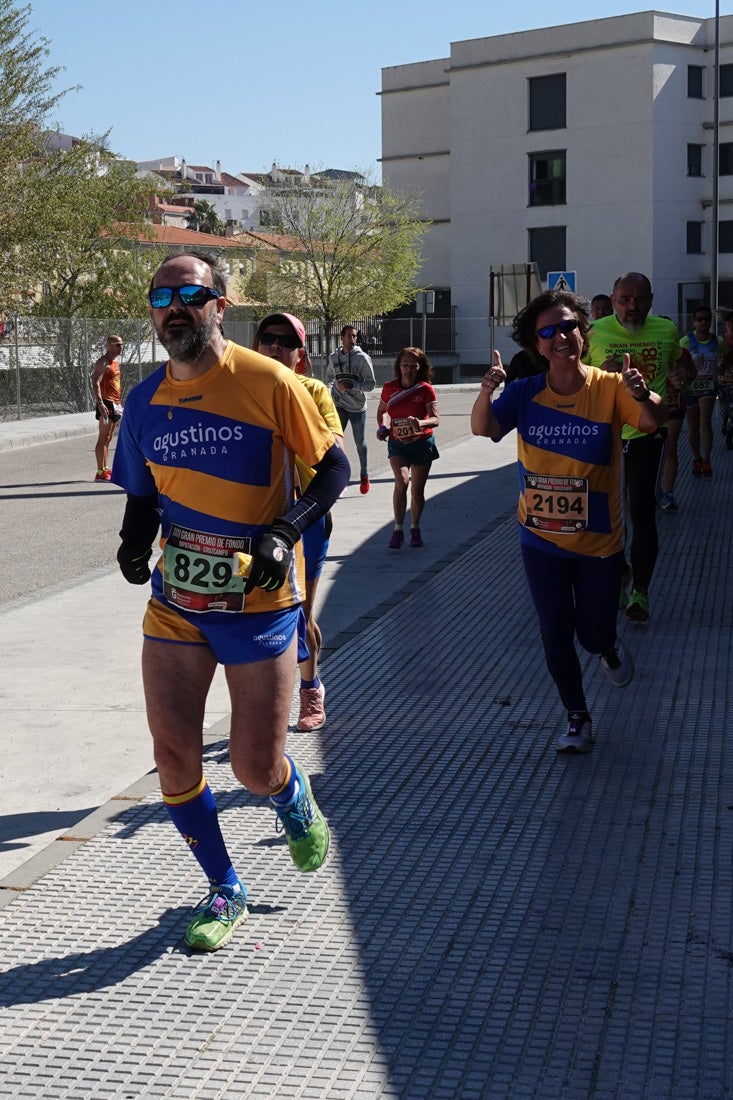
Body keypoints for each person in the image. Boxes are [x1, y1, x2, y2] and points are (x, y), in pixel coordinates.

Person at [111, 251, 350, 952]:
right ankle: (224, 885)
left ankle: (289, 796)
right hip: (177, 602)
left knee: (251, 765)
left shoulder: (269, 381)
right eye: (162, 295)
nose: (174, 305)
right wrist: (132, 543)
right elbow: (142, 494)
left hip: (258, 604)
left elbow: (332, 469)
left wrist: (285, 531)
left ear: (220, 304)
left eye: (191, 292)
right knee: (174, 753)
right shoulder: (144, 400)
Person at [471, 289, 665, 753]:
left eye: (567, 326)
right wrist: (486, 390)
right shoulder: (524, 392)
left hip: (600, 541)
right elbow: (483, 429)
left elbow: (653, 420)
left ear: (583, 330)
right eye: (548, 331)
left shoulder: (609, 386)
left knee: (593, 633)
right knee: (554, 629)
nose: (560, 336)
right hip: (540, 539)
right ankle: (577, 716)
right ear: (536, 344)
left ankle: (609, 647)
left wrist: (644, 392)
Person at [253, 311, 343, 733]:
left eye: (285, 342)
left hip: (302, 520)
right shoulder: (238, 392)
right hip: (251, 519)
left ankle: (311, 688)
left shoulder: (313, 391)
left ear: (300, 356)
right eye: (267, 338)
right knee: (247, 616)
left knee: (300, 615)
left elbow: (332, 454)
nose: (275, 346)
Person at [588, 272, 694, 623]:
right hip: (605, 434)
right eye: (625, 300)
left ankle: (641, 592)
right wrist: (600, 372)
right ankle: (619, 572)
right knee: (604, 515)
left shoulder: (665, 331)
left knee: (641, 514)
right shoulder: (595, 332)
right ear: (614, 300)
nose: (632, 307)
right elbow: (574, 377)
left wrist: (681, 376)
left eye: (640, 299)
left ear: (651, 300)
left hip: (649, 432)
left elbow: (685, 366)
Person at [376, 346, 440, 548]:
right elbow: (382, 411)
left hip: (422, 444)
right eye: (405, 365)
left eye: (413, 366)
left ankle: (415, 528)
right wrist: (382, 427)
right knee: (401, 482)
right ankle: (397, 530)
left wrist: (420, 423)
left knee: (417, 491)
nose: (409, 369)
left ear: (420, 367)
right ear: (399, 366)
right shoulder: (389, 387)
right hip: (398, 444)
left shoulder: (425, 389)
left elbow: (436, 419)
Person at [326, 324, 376, 494]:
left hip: (356, 407)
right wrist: (328, 390)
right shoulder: (333, 357)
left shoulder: (362, 358)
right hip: (339, 404)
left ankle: (364, 474)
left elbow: (371, 384)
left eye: (354, 336)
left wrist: (352, 385)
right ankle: (338, 478)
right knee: (333, 442)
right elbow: (330, 377)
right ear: (341, 337)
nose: (352, 339)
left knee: (359, 443)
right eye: (349, 336)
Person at [681, 305, 722, 479]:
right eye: (700, 319)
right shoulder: (685, 341)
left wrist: (721, 367)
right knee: (693, 425)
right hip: (690, 388)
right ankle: (696, 457)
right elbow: (676, 362)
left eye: (707, 319)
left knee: (705, 420)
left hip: (708, 387)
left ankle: (706, 460)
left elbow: (728, 355)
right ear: (694, 322)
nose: (703, 322)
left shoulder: (717, 341)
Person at [91, 334, 124, 481]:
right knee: (103, 437)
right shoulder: (103, 362)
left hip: (115, 403)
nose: (121, 348)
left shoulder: (115, 363)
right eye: (118, 345)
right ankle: (100, 471)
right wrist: (100, 403)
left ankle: (105, 468)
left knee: (109, 437)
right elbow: (95, 382)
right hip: (106, 402)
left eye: (121, 344)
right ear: (110, 345)